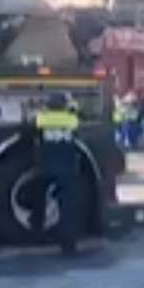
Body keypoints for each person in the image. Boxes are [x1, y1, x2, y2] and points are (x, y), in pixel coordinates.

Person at [32, 93, 83, 256]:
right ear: (63, 105)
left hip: (45, 167)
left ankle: (37, 230)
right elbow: (79, 120)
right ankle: (68, 246)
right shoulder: (71, 120)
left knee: (38, 199)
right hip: (66, 168)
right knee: (67, 208)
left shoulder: (41, 119)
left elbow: (30, 129)